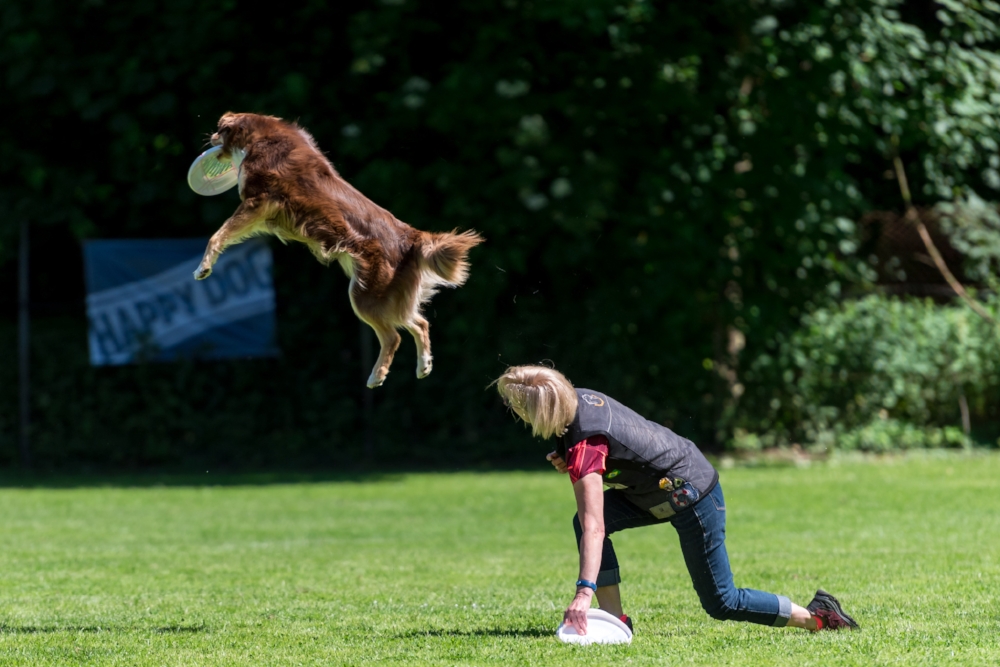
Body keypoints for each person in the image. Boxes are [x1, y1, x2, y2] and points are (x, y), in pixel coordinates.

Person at [493, 364, 859, 636]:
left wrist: (583, 592)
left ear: (537, 410)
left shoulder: (585, 445)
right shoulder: (577, 400)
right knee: (585, 521)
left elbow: (594, 523)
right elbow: (616, 446)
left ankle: (818, 617)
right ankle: (616, 624)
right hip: (660, 489)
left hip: (693, 494)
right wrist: (569, 457)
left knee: (722, 602)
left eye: (517, 407)